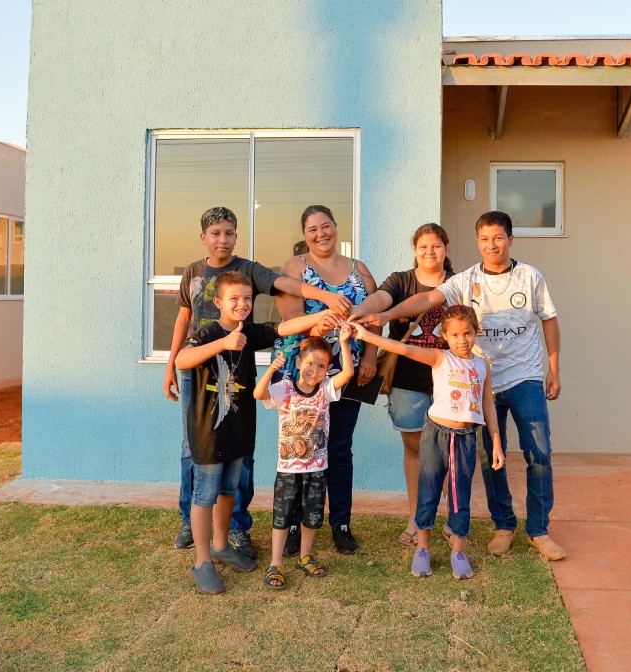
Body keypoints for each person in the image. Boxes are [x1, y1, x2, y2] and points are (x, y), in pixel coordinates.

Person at [357, 211, 565, 561]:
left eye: (497, 238)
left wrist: (554, 369)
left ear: (510, 240)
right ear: (477, 242)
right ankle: (504, 525)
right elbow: (423, 300)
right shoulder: (466, 280)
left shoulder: (531, 276)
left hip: (526, 376)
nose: (491, 245)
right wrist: (387, 316)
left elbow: (549, 319)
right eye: (484, 239)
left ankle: (539, 530)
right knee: (489, 458)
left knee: (539, 453)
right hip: (481, 380)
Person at [163, 207, 350, 559]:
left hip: (238, 385)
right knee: (197, 452)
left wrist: (321, 308)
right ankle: (193, 524)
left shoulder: (248, 278)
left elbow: (281, 313)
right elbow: (183, 328)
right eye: (215, 233)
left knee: (237, 456)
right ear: (203, 237)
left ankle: (232, 532)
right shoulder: (195, 282)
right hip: (201, 379)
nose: (223, 239)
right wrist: (177, 363)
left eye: (229, 232)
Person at [174, 271, 329, 594]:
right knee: (205, 494)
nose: (242, 304)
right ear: (218, 302)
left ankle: (220, 544)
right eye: (234, 299)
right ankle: (203, 560)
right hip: (209, 431)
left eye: (247, 298)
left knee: (229, 489)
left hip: (240, 430)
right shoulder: (207, 333)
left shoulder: (251, 332)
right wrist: (223, 343)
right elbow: (183, 359)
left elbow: (282, 328)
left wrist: (321, 315)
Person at [351, 307, 504, 579]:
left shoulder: (482, 365)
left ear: (476, 333)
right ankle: (422, 549)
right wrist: (365, 335)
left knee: (460, 496)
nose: (462, 340)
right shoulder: (439, 358)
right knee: (429, 491)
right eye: (455, 334)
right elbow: (401, 348)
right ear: (444, 336)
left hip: (467, 438)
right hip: (436, 434)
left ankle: (457, 551)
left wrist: (496, 442)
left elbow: (488, 405)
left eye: (467, 333)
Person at [274, 204, 378, 555]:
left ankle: (341, 523)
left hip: (350, 371)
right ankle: (291, 525)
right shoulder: (295, 267)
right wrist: (317, 327)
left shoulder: (359, 269)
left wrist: (373, 358)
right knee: (302, 449)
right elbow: (290, 317)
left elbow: (375, 318)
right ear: (305, 234)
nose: (321, 234)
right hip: (307, 376)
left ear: (336, 227)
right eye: (313, 229)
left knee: (339, 448)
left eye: (327, 226)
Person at [351, 223, 455, 546]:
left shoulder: (458, 284)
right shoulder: (401, 280)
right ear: (414, 250)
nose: (429, 252)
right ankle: (415, 517)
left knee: (450, 451)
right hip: (408, 380)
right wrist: (360, 311)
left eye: (436, 246)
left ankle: (453, 518)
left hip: (448, 381)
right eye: (423, 246)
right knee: (414, 449)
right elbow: (380, 299)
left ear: (446, 249)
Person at [252, 326, 357, 589]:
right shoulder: (285, 388)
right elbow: (258, 394)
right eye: (310, 363)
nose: (315, 370)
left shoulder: (326, 390)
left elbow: (348, 373)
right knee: (283, 515)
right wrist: (270, 368)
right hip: (288, 468)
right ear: (298, 362)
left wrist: (343, 342)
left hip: (316, 468)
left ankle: (305, 556)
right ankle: (275, 562)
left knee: (312, 515)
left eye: (322, 366)